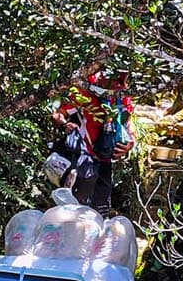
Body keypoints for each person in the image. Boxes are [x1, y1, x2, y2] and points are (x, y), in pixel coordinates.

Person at [52, 72, 136, 216]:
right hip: (84, 159)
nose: (118, 82)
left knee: (100, 210)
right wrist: (66, 124)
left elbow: (128, 120)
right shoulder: (85, 93)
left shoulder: (122, 96)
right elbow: (58, 115)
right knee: (78, 210)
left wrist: (132, 141)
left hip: (106, 160)